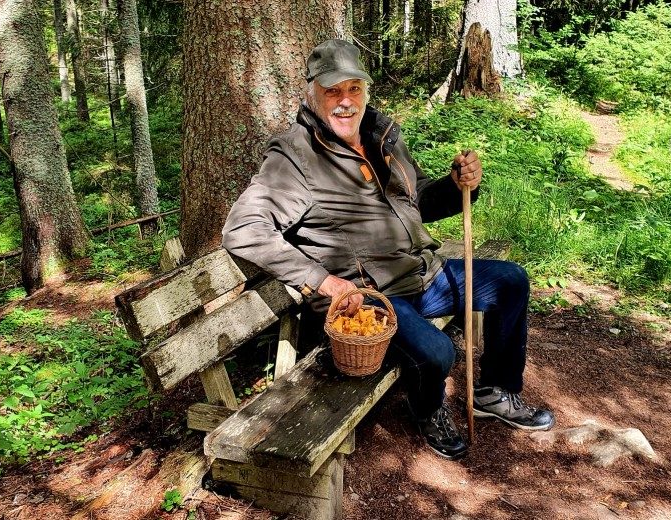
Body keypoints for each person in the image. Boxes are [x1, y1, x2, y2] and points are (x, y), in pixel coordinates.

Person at [222, 39, 554, 460]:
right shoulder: (294, 157)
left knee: (510, 281)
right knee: (438, 352)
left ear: (365, 90)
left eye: (354, 89)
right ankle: (428, 410)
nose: (345, 102)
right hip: (372, 298)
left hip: (422, 273)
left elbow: (418, 204)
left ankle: (495, 393)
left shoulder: (383, 139)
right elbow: (243, 229)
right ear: (311, 93)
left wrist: (457, 186)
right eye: (332, 91)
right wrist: (322, 281)